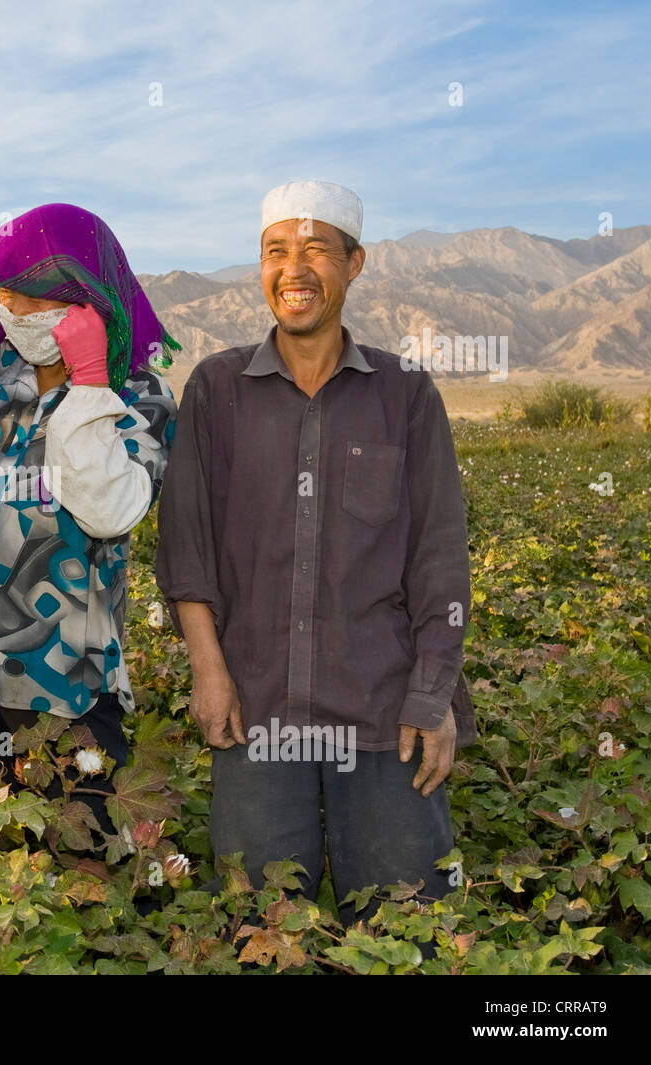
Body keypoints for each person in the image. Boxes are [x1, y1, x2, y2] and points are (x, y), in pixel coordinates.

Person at [155, 181, 474, 924]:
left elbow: (439, 558)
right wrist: (208, 670)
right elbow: (187, 544)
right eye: (276, 252)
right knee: (259, 930)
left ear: (355, 264)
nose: (293, 270)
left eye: (316, 251)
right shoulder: (217, 389)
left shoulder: (405, 393)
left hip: (384, 717)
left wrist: (432, 697)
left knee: (405, 927)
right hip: (254, 712)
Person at [0, 203, 178, 836]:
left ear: (89, 301)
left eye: (40, 298)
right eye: (8, 297)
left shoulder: (139, 398)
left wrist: (88, 379)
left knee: (72, 876)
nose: (19, 315)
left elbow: (108, 508)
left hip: (67, 696)